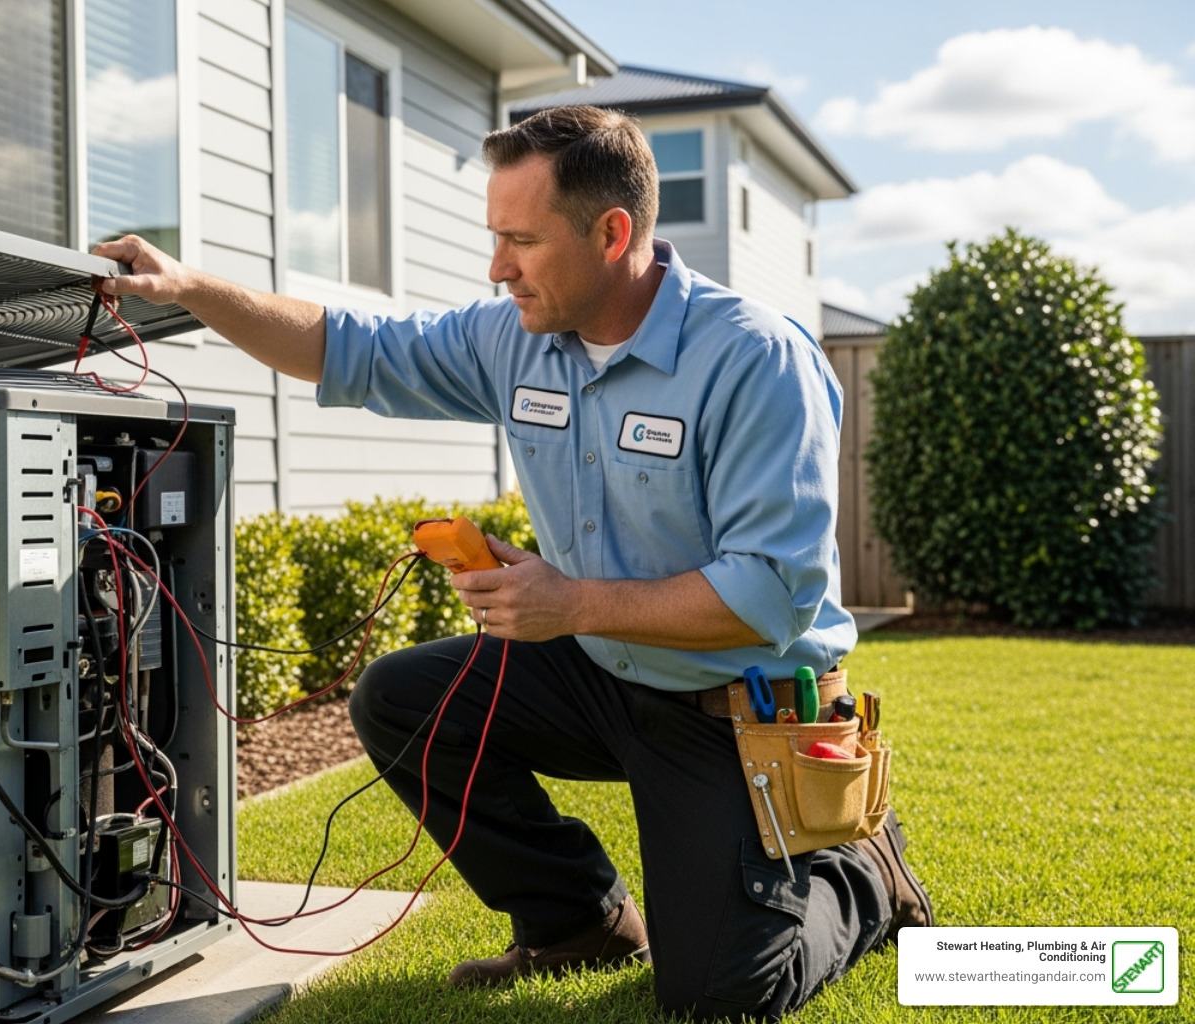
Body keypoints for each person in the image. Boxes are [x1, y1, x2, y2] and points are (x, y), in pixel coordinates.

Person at [96, 104, 931, 1021]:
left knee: (722, 997)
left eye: (521, 241)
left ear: (613, 233)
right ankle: (579, 922)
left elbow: (770, 598)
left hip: (732, 705)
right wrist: (188, 288)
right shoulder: (515, 338)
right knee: (402, 698)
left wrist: (567, 602)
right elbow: (348, 349)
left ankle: (862, 873)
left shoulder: (756, 361)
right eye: (497, 238)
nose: (499, 268)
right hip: (603, 671)